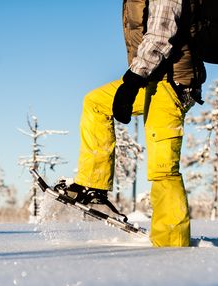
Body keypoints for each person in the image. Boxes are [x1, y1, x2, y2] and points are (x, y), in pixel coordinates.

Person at [59, 0, 205, 247]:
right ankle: (94, 188)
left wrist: (132, 81)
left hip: (173, 83)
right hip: (152, 79)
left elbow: (161, 35)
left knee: (162, 167)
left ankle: (172, 246)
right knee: (96, 102)